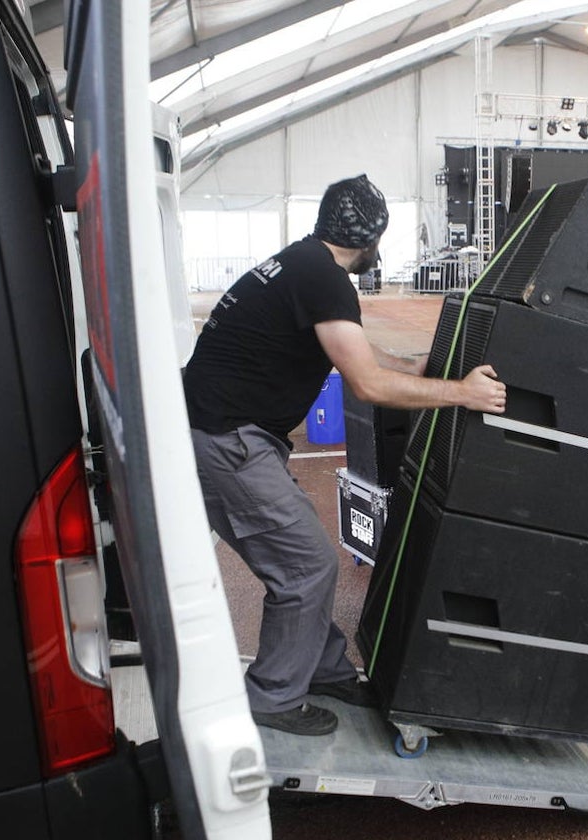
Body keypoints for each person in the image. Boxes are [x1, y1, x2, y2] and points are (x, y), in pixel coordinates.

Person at [183, 174, 506, 737]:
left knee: (302, 553)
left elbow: (352, 344)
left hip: (222, 432)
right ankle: (274, 695)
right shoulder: (327, 278)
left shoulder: (303, 263)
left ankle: (326, 668)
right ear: (373, 238)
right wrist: (462, 392)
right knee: (306, 563)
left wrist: (416, 366)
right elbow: (367, 386)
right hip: (229, 439)